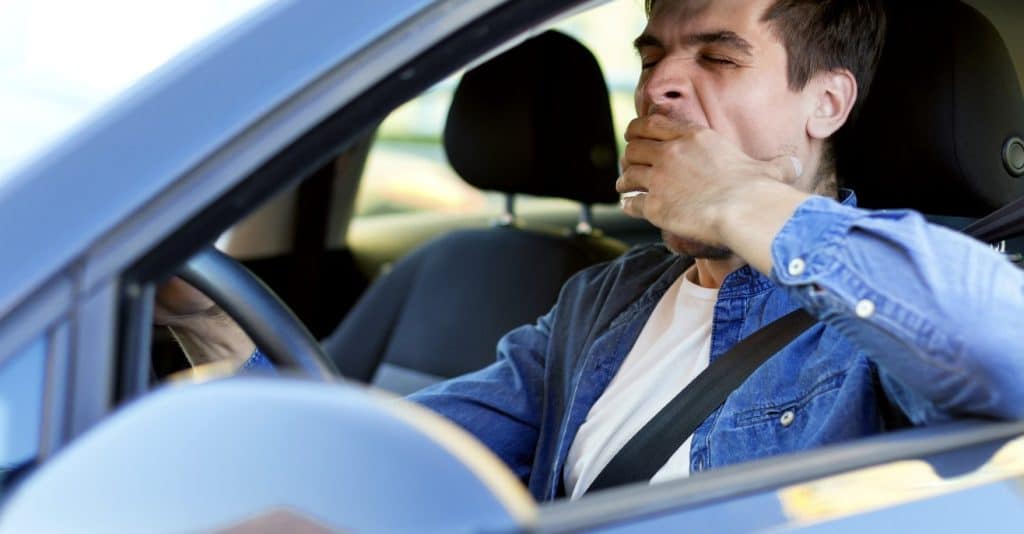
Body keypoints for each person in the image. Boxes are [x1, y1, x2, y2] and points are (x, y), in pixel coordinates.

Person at [158, 0, 1024, 503]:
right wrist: (214, 331)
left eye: (718, 57)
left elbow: (1005, 350)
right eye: (653, 55)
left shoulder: (885, 307)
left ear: (826, 104)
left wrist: (736, 199)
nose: (659, 85)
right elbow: (386, 462)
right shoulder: (605, 302)